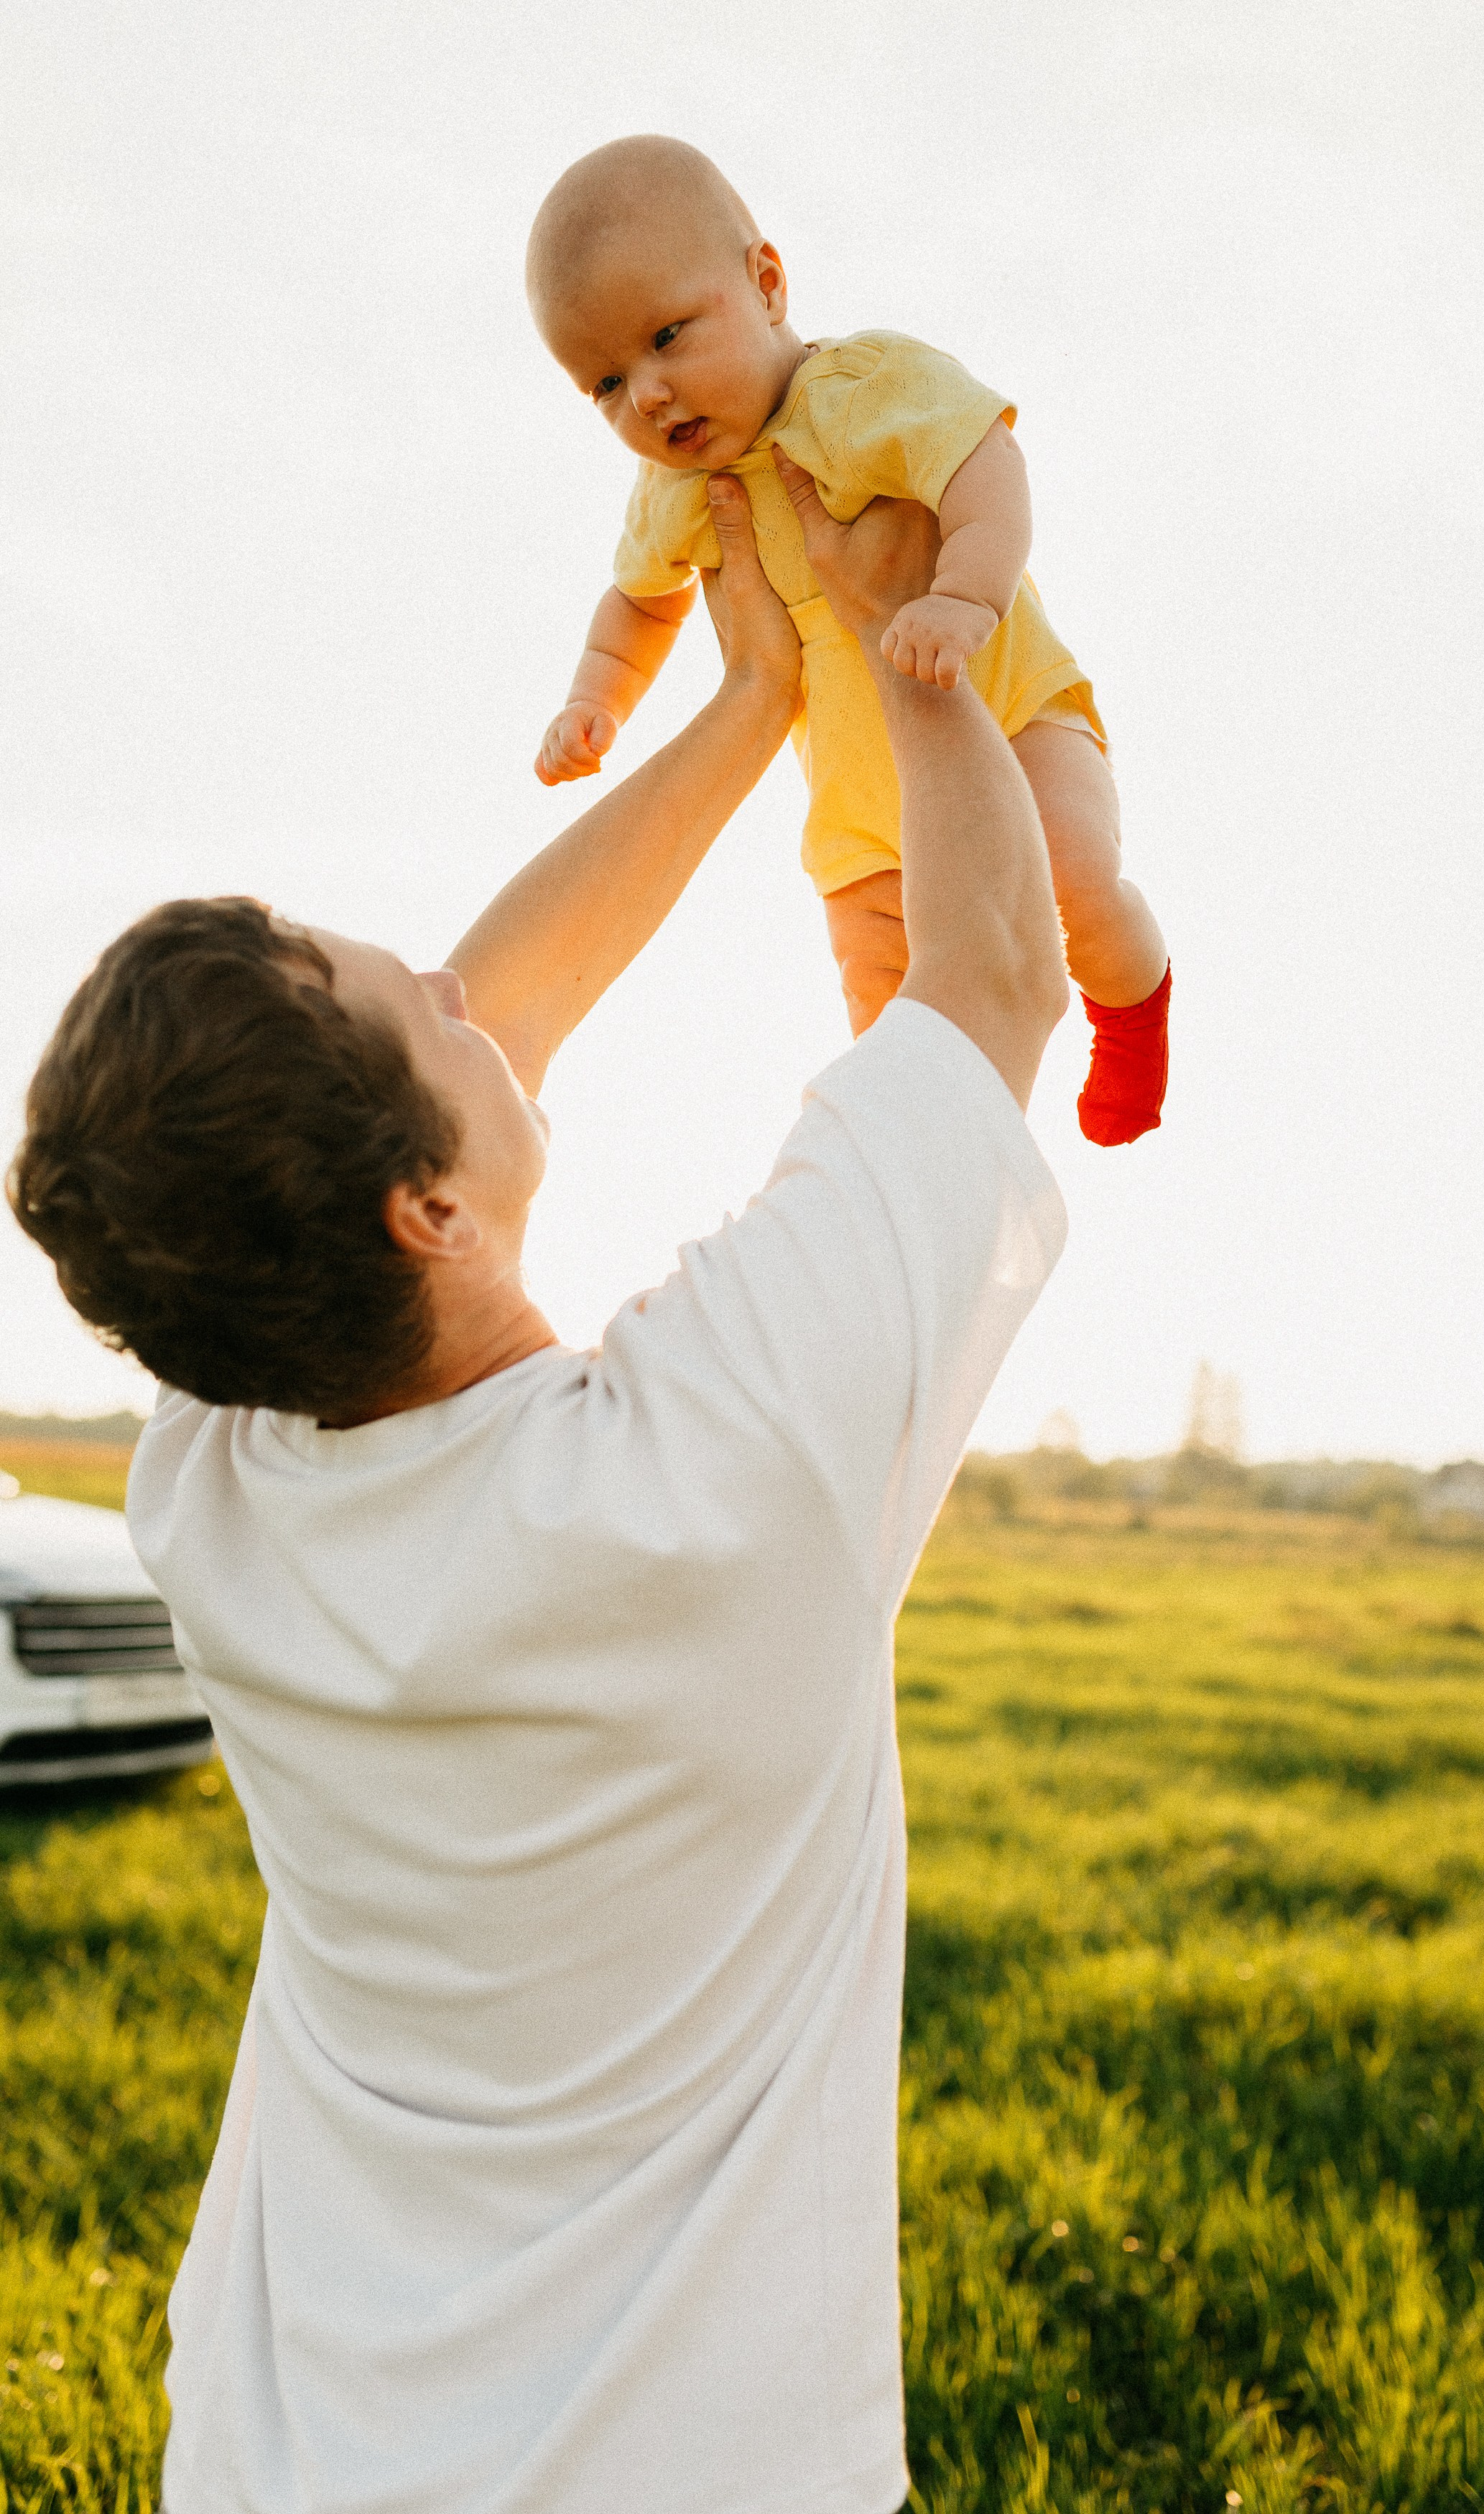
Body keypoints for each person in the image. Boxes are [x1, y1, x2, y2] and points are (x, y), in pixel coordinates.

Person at [9, 467, 1070, 2513]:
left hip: (295, 2446)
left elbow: (464, 1043)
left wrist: (748, 698)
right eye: (420, 991)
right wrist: (888, 626)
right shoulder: (724, 1461)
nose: (465, 987)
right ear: (423, 1209)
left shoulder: (211, 1489)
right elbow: (996, 981)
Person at [526, 133, 1171, 1148]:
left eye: (665, 337)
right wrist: (594, 703)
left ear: (766, 283)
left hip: (1007, 716)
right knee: (890, 1014)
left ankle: (1133, 1010)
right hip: (864, 817)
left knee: (1073, 890)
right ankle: (935, 1163)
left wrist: (963, 597)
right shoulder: (674, 498)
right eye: (603, 384)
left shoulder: (866, 386)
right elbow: (638, 607)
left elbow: (984, 464)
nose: (645, 395)